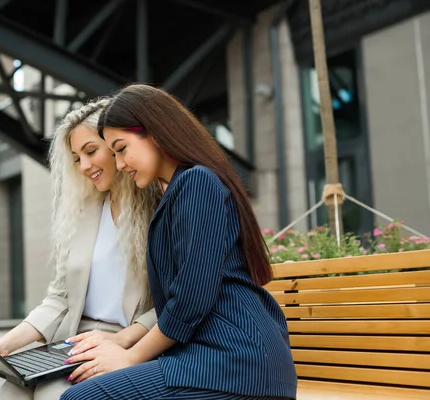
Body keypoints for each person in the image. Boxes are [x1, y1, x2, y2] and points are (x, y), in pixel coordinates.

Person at [61, 85, 298, 400]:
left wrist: (130, 357)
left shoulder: (197, 183)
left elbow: (191, 297)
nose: (118, 164)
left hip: (238, 361)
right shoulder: (176, 190)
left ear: (155, 134)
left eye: (121, 148)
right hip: (208, 356)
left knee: (82, 398)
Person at [0, 97, 160, 400]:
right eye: (76, 158)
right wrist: (2, 346)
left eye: (90, 152)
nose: (84, 166)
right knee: (9, 395)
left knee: (51, 396)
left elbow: (179, 299)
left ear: (115, 145)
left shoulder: (159, 207)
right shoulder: (87, 213)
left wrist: (122, 340)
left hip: (131, 340)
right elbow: (59, 298)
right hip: (72, 339)